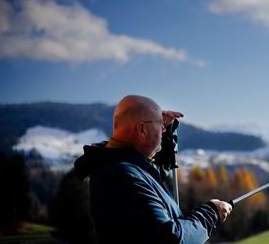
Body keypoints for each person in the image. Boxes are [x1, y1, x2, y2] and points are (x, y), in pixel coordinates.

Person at [74, 95, 232, 243]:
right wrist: (210, 214)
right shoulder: (120, 175)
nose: (163, 129)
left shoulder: (124, 165)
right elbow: (170, 239)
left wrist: (167, 134)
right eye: (159, 124)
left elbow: (156, 172)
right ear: (142, 129)